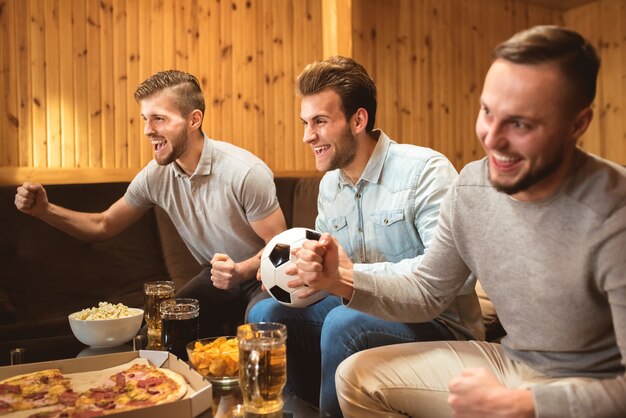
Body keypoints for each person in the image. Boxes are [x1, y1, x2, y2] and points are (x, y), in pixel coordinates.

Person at [293, 26, 626, 417]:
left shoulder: (613, 212)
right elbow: (427, 290)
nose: (492, 139)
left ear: (577, 124)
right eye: (487, 112)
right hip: (509, 360)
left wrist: (529, 404)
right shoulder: (472, 187)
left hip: (589, 381)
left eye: (520, 123)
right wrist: (338, 280)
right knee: (353, 377)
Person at [247, 56, 484, 417]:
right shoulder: (330, 186)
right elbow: (332, 272)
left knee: (346, 324)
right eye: (305, 123)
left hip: (440, 322)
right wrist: (295, 274)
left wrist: (348, 278)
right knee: (265, 313)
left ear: (358, 120)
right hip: (361, 306)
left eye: (320, 122)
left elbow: (456, 276)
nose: (307, 135)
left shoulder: (425, 171)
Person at [14, 70, 287, 338]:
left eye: (158, 119)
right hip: (215, 278)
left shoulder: (245, 171)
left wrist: (240, 271)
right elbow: (103, 225)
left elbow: (280, 246)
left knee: (260, 330)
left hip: (261, 276)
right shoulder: (155, 176)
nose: (147, 130)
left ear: (194, 120)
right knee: (158, 334)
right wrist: (44, 211)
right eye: (145, 119)